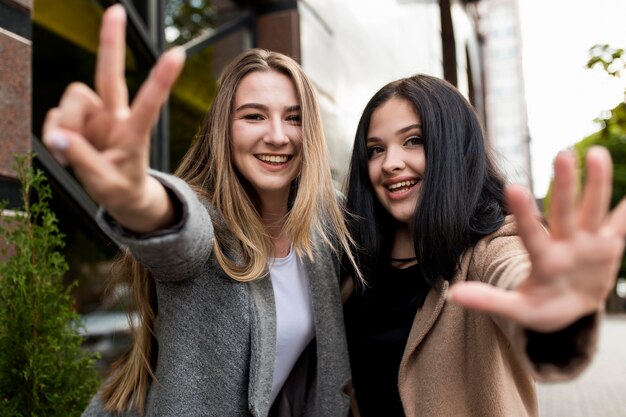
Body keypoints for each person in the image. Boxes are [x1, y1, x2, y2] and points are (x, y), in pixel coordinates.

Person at [42, 5, 359, 417]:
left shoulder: (327, 222)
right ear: (223, 130)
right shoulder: (207, 231)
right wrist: (135, 195)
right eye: (254, 116)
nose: (278, 136)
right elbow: (175, 226)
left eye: (293, 118)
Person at [341, 74, 626, 417]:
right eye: (376, 149)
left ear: (452, 147)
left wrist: (556, 316)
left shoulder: (494, 242)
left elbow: (518, 277)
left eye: (413, 140)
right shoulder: (355, 256)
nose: (390, 163)